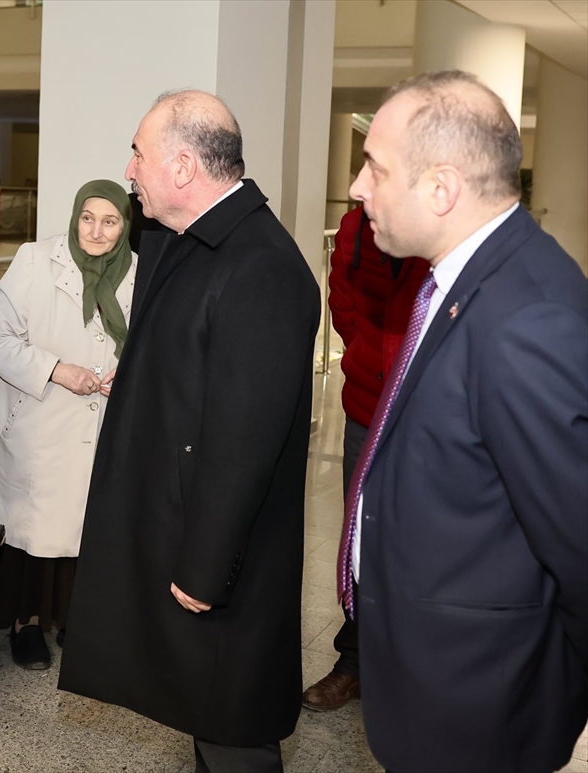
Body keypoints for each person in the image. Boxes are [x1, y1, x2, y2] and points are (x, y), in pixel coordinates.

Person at [58, 89, 320, 773]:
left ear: (181, 168)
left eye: (139, 154)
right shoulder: (192, 239)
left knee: (234, 728)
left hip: (225, 560)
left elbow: (244, 441)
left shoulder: (260, 267)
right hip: (181, 527)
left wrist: (206, 566)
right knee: (205, 714)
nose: (129, 168)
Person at [345, 69, 588, 773]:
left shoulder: (526, 319)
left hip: (482, 704)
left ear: (442, 188)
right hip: (436, 681)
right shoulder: (468, 279)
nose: (358, 188)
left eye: (375, 167)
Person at [0, 179, 137, 670]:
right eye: (88, 218)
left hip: (96, 424)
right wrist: (59, 371)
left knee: (79, 531)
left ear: (125, 225)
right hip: (36, 418)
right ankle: (24, 625)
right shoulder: (35, 260)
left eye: (110, 221)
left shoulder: (138, 273)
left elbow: (150, 342)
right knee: (31, 531)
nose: (97, 231)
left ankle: (68, 619)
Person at [301, 204, 428, 712]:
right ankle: (353, 663)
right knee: (360, 541)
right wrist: (367, 358)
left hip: (430, 414)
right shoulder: (356, 226)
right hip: (365, 412)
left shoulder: (452, 220)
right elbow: (343, 299)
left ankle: (415, 669)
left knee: (424, 546)